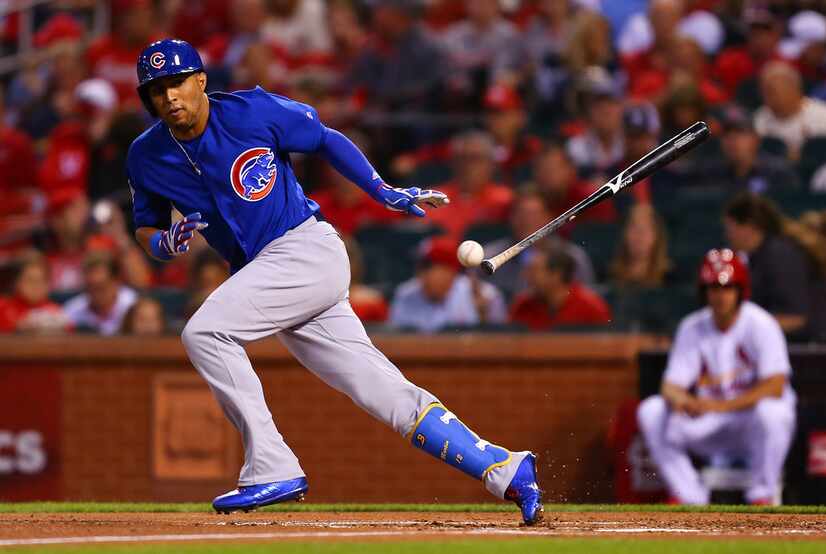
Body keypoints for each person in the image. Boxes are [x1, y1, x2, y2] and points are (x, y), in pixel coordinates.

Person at [127, 39, 542, 524]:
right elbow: (146, 226)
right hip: (269, 273)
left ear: (200, 80)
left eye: (177, 82)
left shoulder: (251, 111)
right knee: (386, 394)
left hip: (304, 249)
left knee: (203, 333)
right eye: (156, 90)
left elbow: (324, 138)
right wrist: (165, 244)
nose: (169, 96)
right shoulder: (146, 155)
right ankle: (505, 469)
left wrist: (380, 190)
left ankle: (271, 466)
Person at [637, 249, 796, 505]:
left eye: (727, 287)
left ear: (740, 290)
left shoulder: (760, 323)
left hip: (749, 423)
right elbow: (670, 385)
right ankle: (689, 497)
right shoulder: (692, 326)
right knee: (652, 410)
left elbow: (776, 386)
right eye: (713, 287)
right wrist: (681, 400)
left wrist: (719, 406)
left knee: (774, 412)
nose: (720, 295)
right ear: (704, 291)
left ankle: (762, 494)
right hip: (710, 423)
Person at [724, 193, 813, 335]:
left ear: (749, 226)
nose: (728, 235)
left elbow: (795, 318)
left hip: (804, 351)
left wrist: (738, 327)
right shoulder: (755, 258)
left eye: (731, 228)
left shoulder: (780, 257)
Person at [389, 236, 506, 332]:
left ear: (449, 271)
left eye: (427, 266)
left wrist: (483, 319)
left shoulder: (483, 294)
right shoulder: (405, 294)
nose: (420, 272)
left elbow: (502, 342)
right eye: (420, 266)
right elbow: (396, 338)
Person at [509, 250, 610, 331]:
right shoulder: (522, 305)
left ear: (556, 275)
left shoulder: (590, 306)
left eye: (534, 270)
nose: (526, 276)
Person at [754, 61, 826, 159]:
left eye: (771, 91)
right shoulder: (760, 117)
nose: (765, 97)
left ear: (793, 88)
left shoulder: (825, 117)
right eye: (763, 91)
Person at [63, 251, 138, 335]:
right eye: (90, 287)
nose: (95, 293)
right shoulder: (72, 311)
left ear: (116, 282)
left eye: (100, 287)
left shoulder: (133, 306)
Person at [0, 253, 69, 334]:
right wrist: (16, 328)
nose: (36, 286)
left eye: (41, 280)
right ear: (16, 282)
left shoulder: (56, 312)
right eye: (30, 280)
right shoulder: (3, 307)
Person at [608, 204, 672, 288]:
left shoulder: (670, 279)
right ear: (624, 233)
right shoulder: (609, 276)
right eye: (634, 226)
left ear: (657, 235)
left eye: (646, 228)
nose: (639, 235)